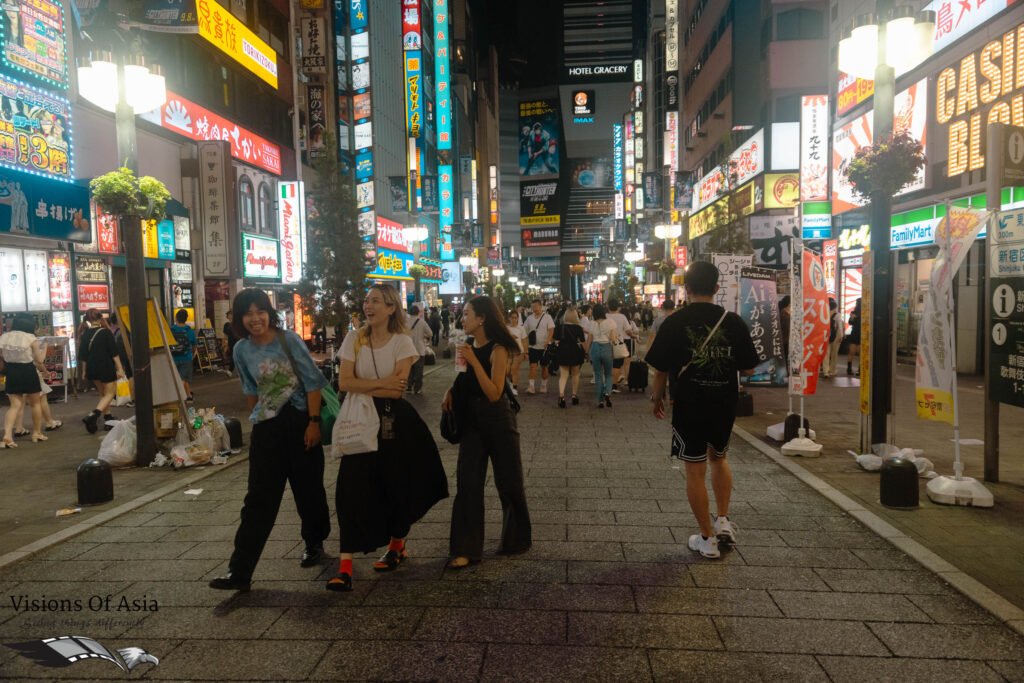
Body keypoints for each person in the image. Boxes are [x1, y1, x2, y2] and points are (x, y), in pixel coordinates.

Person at [209, 288, 332, 592]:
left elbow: (314, 383)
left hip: (300, 420)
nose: (255, 318)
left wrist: (314, 423)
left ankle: (314, 542)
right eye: (247, 314)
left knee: (308, 490)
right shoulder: (241, 350)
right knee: (258, 500)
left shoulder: (288, 340)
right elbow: (251, 389)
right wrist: (257, 423)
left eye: (260, 311)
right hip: (267, 428)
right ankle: (240, 571)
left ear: (269, 313)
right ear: (238, 319)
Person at [329, 284, 448, 592]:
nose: (368, 305)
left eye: (376, 301)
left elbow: (398, 391)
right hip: (359, 420)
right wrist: (378, 383)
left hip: (396, 422)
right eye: (367, 300)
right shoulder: (353, 339)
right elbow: (343, 382)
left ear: (392, 308)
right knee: (350, 488)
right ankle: (345, 567)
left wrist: (362, 383)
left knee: (396, 485)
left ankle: (397, 544)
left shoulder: (402, 342)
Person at [646, 261, 758, 559]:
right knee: (719, 457)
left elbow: (660, 368)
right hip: (723, 402)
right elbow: (748, 368)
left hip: (689, 403)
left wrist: (657, 398)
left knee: (694, 469)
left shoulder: (674, 322)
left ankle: (707, 539)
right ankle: (723, 519)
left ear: (687, 288)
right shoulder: (732, 321)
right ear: (717, 288)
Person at [444, 296, 531, 568]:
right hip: (472, 421)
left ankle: (515, 539)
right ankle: (465, 549)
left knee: (509, 481)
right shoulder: (466, 346)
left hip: (498, 419)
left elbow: (494, 393)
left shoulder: (499, 349)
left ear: (481, 318)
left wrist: (474, 360)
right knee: (468, 482)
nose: (462, 319)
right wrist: (449, 391)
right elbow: (462, 378)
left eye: (467, 314)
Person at [0, 314, 48, 447]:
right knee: (35, 404)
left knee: (14, 406)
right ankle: (36, 433)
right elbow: (39, 361)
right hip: (28, 372)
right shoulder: (31, 338)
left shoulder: (4, 337)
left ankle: (7, 436)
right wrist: (44, 350)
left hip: (12, 372)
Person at [81, 315, 126, 434]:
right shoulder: (106, 332)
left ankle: (108, 419)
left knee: (103, 394)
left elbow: (83, 356)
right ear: (100, 318)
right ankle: (93, 416)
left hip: (92, 368)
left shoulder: (85, 334)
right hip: (105, 366)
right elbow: (114, 352)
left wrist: (84, 371)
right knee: (110, 393)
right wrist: (120, 369)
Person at [586, 303, 620, 409]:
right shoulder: (610, 322)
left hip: (595, 348)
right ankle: (607, 392)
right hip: (606, 348)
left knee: (598, 375)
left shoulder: (591, 324)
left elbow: (589, 340)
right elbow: (613, 339)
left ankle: (600, 401)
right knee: (609, 374)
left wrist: (586, 352)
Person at [553, 308, 586, 408]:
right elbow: (583, 342)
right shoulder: (578, 328)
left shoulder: (560, 327)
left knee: (563, 375)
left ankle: (561, 396)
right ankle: (574, 396)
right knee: (575, 374)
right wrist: (587, 352)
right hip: (575, 351)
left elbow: (556, 339)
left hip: (563, 351)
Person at [523, 299, 554, 394]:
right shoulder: (529, 318)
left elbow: (551, 330)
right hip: (533, 346)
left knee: (544, 367)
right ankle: (531, 387)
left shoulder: (547, 317)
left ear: (540, 306)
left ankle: (543, 385)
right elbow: (524, 330)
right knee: (533, 366)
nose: (534, 309)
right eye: (532, 307)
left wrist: (548, 341)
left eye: (536, 306)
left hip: (544, 346)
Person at [607, 300, 636, 390]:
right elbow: (628, 330)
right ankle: (613, 385)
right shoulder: (622, 317)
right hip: (617, 344)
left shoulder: (605, 316)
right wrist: (633, 335)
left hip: (605, 343)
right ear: (618, 307)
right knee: (616, 365)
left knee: (607, 364)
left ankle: (607, 383)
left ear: (608, 307)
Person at [170, 309, 197, 402]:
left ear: (176, 318)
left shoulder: (171, 330)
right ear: (186, 319)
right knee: (183, 378)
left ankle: (189, 395)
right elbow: (194, 344)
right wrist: (193, 354)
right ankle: (180, 397)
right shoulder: (189, 331)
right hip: (186, 357)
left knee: (179, 378)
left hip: (174, 357)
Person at [405, 304, 433, 395]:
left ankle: (409, 386)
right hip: (419, 350)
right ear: (418, 312)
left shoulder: (405, 322)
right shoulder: (422, 322)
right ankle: (417, 388)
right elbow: (430, 333)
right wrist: (423, 336)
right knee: (418, 370)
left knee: (409, 369)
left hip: (408, 350)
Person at [506, 309, 528, 393]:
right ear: (509, 318)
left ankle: (514, 388)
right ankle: (511, 384)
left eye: (515, 318)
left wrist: (526, 352)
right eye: (512, 317)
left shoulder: (521, 328)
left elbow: (524, 341)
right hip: (508, 352)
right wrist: (510, 337)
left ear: (518, 318)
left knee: (514, 369)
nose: (514, 319)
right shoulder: (506, 328)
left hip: (519, 352)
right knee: (507, 370)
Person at [824, 298, 844, 378]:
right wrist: (841, 336)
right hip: (836, 336)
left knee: (826, 354)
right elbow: (839, 326)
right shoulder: (837, 315)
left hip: (826, 335)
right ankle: (832, 370)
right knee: (834, 354)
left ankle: (826, 371)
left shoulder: (824, 314)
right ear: (835, 307)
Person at [847, 298, 862, 376]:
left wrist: (853, 317)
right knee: (861, 353)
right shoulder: (866, 313)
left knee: (851, 352)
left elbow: (850, 322)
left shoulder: (853, 312)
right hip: (862, 333)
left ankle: (849, 368)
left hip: (854, 333)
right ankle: (860, 370)